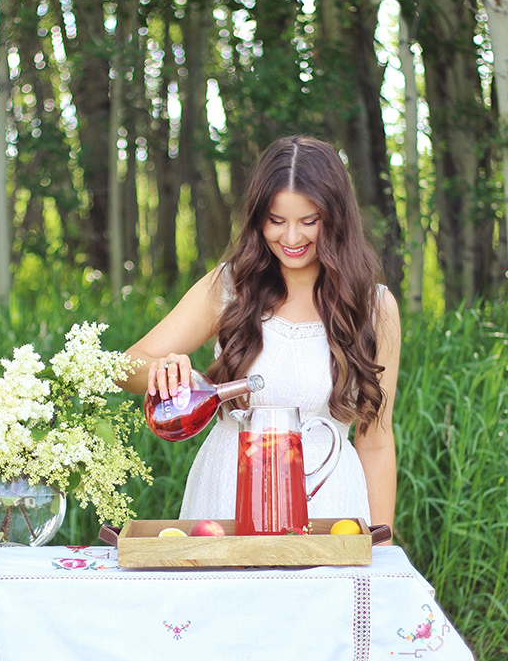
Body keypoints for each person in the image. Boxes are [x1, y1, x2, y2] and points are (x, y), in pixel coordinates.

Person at [120, 136, 401, 532]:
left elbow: (376, 441)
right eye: (275, 221)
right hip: (227, 495)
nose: (290, 238)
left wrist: (381, 545)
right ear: (257, 218)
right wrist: (162, 369)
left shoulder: (374, 307)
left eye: (309, 221)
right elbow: (122, 367)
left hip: (332, 500)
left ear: (336, 218)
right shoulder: (229, 287)